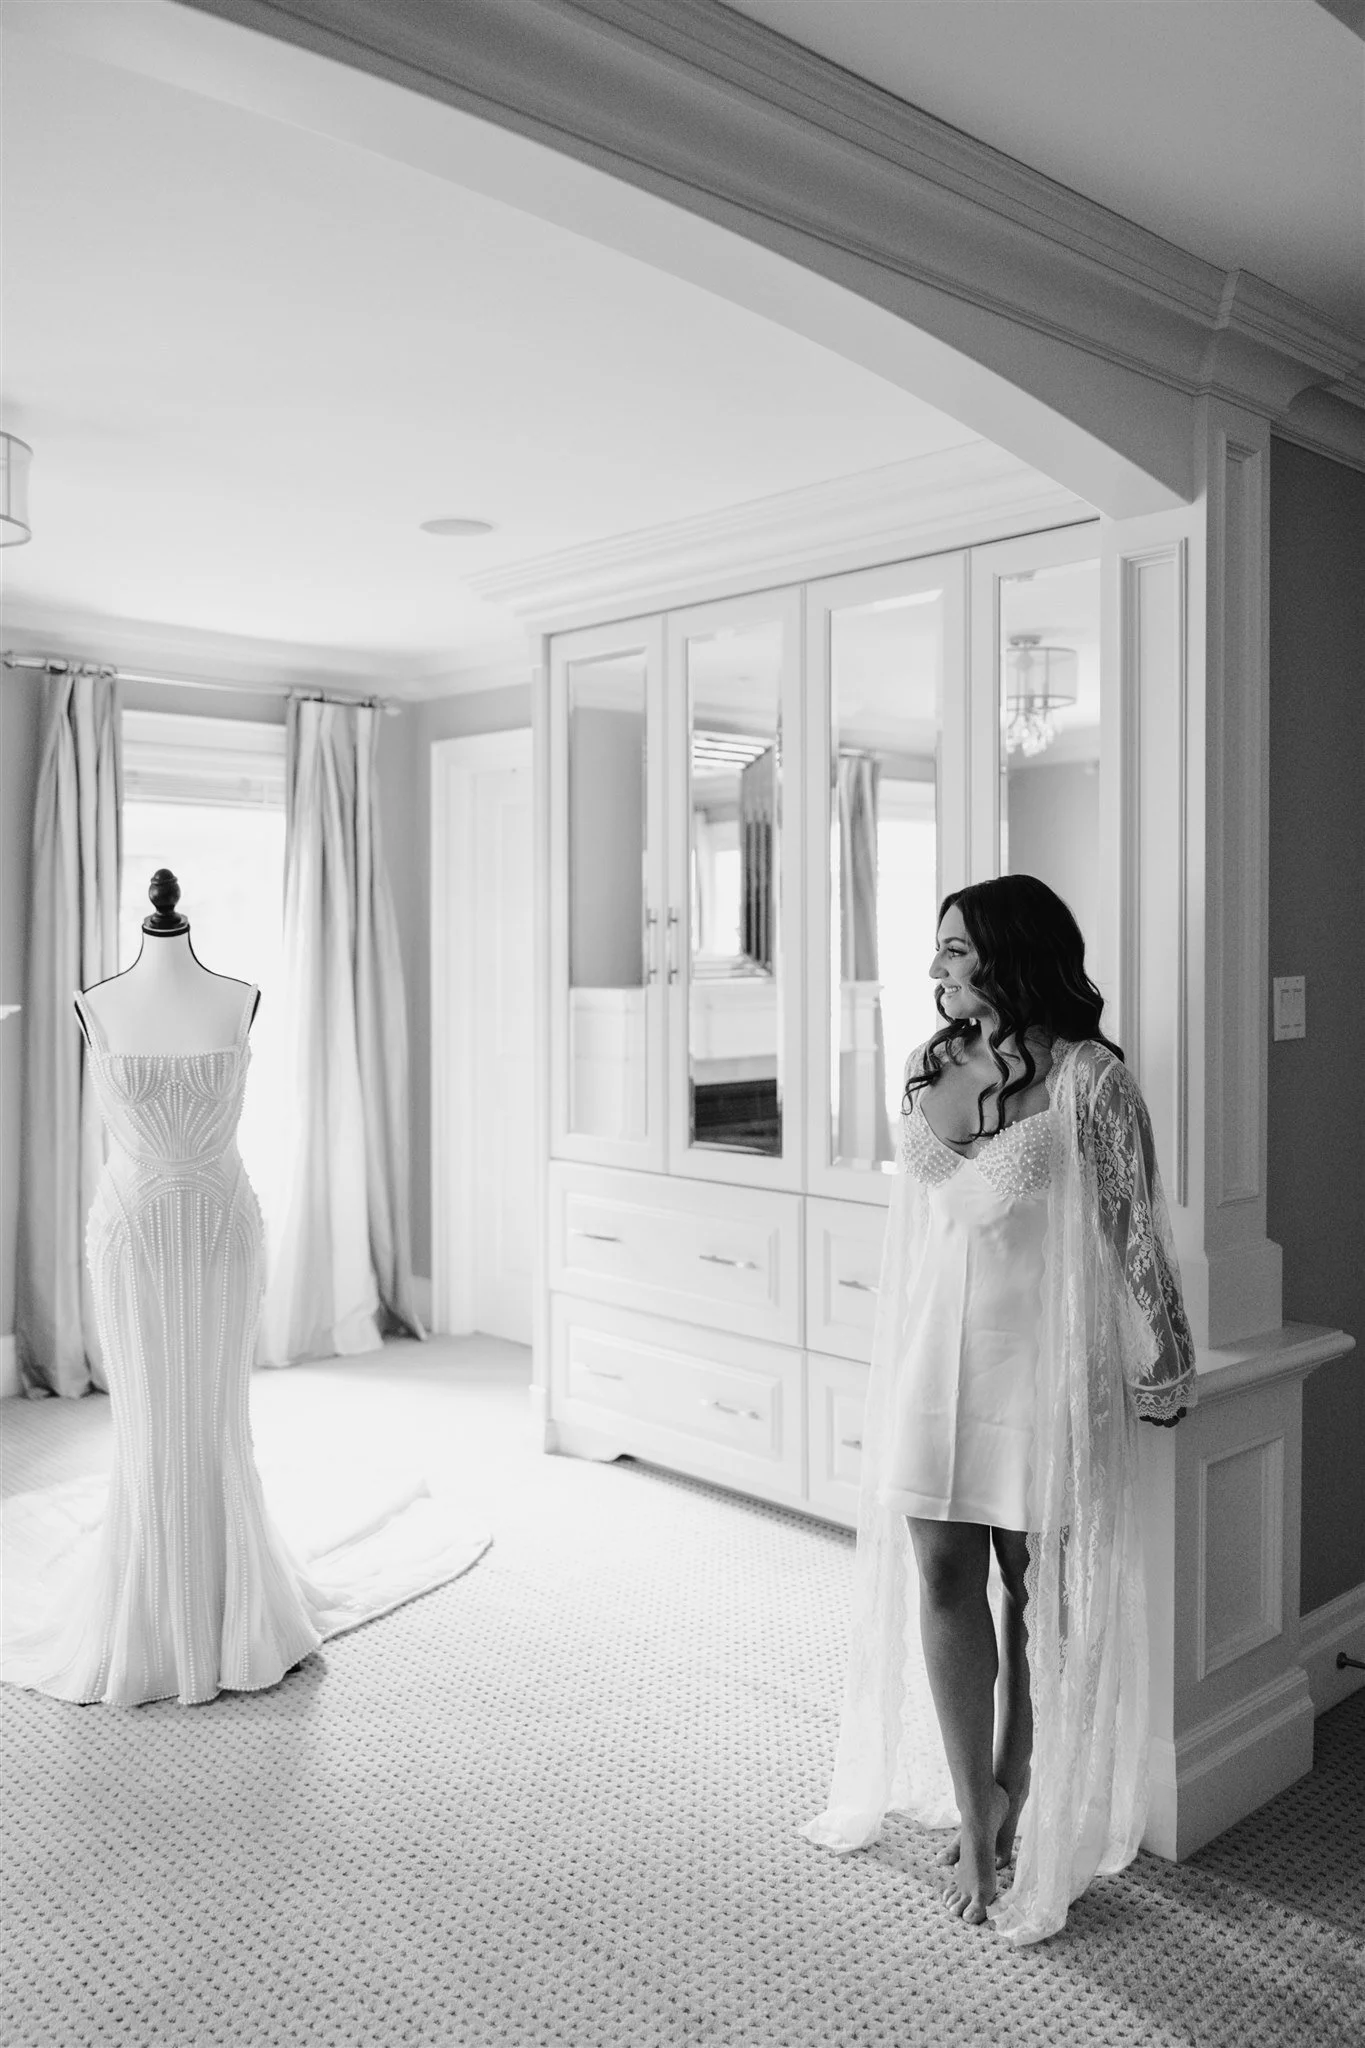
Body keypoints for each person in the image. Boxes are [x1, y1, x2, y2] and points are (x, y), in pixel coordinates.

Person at [803, 874, 1194, 1946]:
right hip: (940, 1356)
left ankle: (1021, 1790)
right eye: (938, 951)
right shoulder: (932, 1064)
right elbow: (919, 1233)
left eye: (956, 949)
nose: (938, 969)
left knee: (1032, 1590)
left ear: (1015, 952)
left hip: (1037, 1366)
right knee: (939, 1570)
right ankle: (975, 1811)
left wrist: (1169, 1357)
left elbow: (1136, 1231)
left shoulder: (1092, 1079)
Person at [2, 871, 488, 1708]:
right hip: (132, 1238)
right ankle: (150, 1605)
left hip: (223, 1234)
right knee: (151, 1420)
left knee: (216, 1415)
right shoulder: (96, 1003)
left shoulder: (240, 996)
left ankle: (235, 1600)